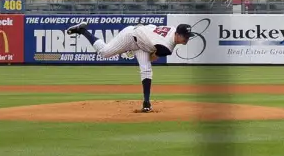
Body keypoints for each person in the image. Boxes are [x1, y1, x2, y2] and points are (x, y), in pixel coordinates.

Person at [64, 22, 192, 112]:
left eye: (188, 37)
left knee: (146, 70)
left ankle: (146, 103)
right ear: (177, 34)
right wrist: (131, 48)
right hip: (130, 36)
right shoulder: (166, 46)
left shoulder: (172, 29)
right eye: (185, 37)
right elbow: (152, 57)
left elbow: (154, 30)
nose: (187, 39)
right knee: (104, 52)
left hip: (142, 42)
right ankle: (82, 30)